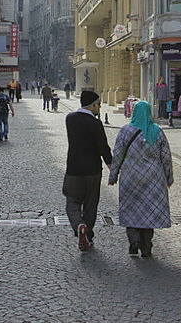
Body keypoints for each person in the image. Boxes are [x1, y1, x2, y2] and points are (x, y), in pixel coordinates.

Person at [108, 100, 173, 258]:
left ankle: (133, 242)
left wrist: (113, 175)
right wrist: (169, 177)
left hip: (131, 177)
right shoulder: (157, 131)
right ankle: (146, 245)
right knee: (148, 212)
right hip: (153, 179)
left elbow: (117, 156)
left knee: (131, 209)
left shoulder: (125, 131)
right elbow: (166, 157)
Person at [63, 90, 112, 252]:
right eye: (98, 104)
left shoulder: (70, 119)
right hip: (92, 171)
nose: (99, 107)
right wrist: (112, 166)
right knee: (91, 205)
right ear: (92, 105)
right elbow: (103, 148)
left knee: (72, 202)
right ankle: (88, 236)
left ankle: (79, 225)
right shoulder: (95, 124)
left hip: (74, 170)